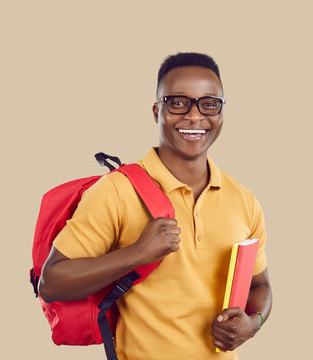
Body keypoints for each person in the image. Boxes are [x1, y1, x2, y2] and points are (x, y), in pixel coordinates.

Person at [39, 52, 272, 360]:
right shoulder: (116, 191)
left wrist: (253, 322)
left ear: (221, 112)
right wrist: (137, 253)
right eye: (178, 102)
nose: (194, 116)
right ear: (156, 111)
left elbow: (261, 287)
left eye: (209, 104)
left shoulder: (244, 199)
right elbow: (52, 283)